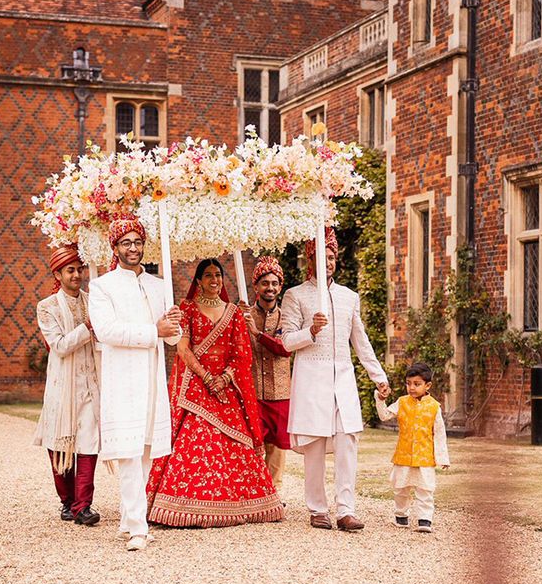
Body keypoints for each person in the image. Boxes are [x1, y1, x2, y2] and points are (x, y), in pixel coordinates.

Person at [146, 258, 284, 528]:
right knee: (194, 441)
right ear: (198, 281)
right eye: (208, 275)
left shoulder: (233, 312)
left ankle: (238, 506)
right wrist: (207, 376)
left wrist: (224, 378)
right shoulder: (187, 309)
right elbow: (183, 349)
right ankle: (181, 506)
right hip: (196, 387)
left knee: (235, 445)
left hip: (225, 387)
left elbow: (241, 355)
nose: (214, 280)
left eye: (218, 275)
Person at [281, 227, 390, 532]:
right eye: (321, 257)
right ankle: (317, 508)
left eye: (330, 257)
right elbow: (287, 341)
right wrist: (311, 331)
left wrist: (378, 377)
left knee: (348, 439)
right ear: (310, 260)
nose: (327, 262)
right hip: (311, 378)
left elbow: (361, 341)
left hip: (343, 378)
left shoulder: (348, 297)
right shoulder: (295, 295)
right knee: (314, 443)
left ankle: (345, 509)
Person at [88, 217, 182, 551]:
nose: (133, 248)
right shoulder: (103, 287)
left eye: (137, 242)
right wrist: (153, 331)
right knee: (128, 451)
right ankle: (139, 526)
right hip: (123, 376)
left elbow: (172, 340)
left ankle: (130, 520)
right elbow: (107, 332)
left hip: (153, 377)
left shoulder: (158, 286)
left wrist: (173, 328)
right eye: (126, 243)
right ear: (115, 248)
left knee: (144, 451)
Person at [33, 242, 101, 524]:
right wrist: (88, 328)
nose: (77, 275)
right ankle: (67, 502)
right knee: (59, 443)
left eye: (79, 269)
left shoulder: (94, 300)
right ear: (58, 274)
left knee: (89, 443)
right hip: (63, 386)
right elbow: (59, 346)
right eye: (70, 270)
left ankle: (83, 506)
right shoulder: (46, 307)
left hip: (90, 383)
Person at [375, 361, 449, 533]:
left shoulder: (434, 407)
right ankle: (401, 516)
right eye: (408, 384)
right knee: (401, 488)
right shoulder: (402, 402)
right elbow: (384, 416)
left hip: (425, 457)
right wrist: (380, 400)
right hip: (404, 455)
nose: (412, 388)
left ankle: (425, 520)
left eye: (417, 384)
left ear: (427, 385)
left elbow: (439, 433)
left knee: (425, 489)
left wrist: (442, 457)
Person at [242, 256, 291, 493]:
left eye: (274, 283)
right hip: (251, 389)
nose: (269, 287)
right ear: (255, 287)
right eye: (264, 283)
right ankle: (255, 491)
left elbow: (285, 349)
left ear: (280, 287)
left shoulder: (288, 317)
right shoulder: (244, 315)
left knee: (278, 447)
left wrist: (257, 334)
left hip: (280, 390)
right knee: (253, 444)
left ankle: (274, 492)